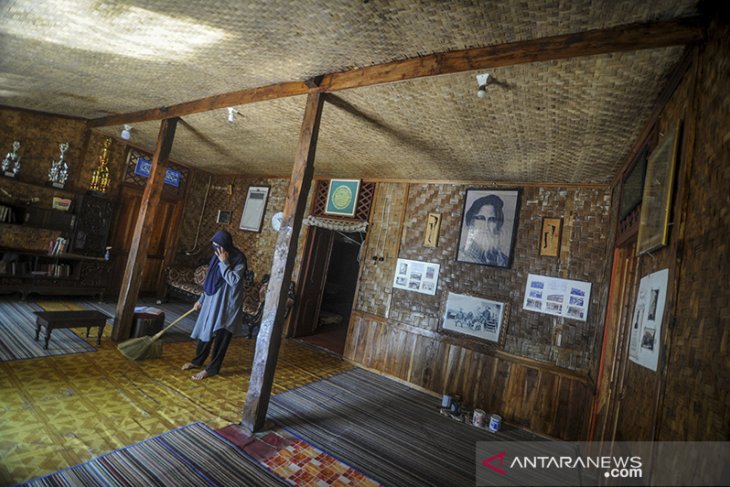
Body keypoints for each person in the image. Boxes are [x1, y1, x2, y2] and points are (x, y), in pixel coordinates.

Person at [182, 230, 247, 380]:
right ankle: (197, 361)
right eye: (214, 245)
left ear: (226, 245)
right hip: (212, 302)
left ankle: (212, 369)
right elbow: (209, 282)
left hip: (227, 305)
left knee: (221, 336)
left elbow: (234, 281)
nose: (216, 249)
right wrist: (201, 300)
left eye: (219, 246)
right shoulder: (215, 256)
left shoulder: (238, 259)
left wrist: (225, 262)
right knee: (206, 330)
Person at [459, 194, 509, 266]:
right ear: (471, 223)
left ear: (498, 227)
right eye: (480, 218)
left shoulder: (504, 261)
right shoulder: (462, 256)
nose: (486, 226)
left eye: (492, 219)